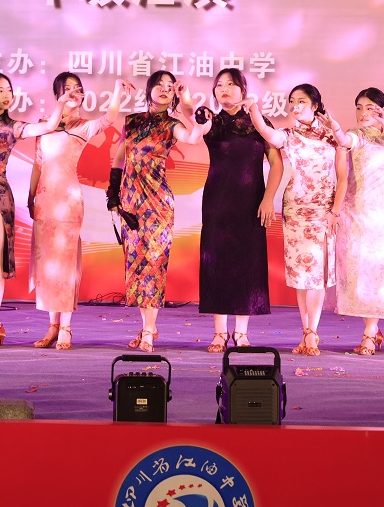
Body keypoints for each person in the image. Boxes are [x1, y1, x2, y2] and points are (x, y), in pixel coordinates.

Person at [0, 72, 79, 351]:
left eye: (9, 91)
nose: (7, 95)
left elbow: (49, 125)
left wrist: (60, 103)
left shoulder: (13, 127)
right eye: (0, 90)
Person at [27, 74, 135, 350]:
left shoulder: (83, 126)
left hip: (69, 200)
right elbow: (38, 164)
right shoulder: (44, 126)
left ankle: (65, 327)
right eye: (68, 89)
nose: (75, 92)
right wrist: (30, 196)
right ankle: (52, 327)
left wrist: (116, 91)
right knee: (48, 265)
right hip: (45, 200)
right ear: (57, 95)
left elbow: (109, 118)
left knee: (65, 264)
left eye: (78, 89)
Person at [106, 70, 205, 353]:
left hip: (158, 202)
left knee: (154, 262)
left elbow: (193, 138)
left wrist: (189, 105)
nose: (164, 89)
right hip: (130, 201)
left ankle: (149, 331)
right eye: (159, 84)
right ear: (149, 89)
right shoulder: (132, 121)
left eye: (170, 86)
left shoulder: (172, 125)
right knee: (136, 265)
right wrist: (113, 193)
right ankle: (146, 325)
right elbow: (120, 157)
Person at [247, 84, 346, 357]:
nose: (295, 105)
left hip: (323, 210)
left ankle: (313, 332)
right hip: (295, 209)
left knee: (317, 276)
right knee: (301, 275)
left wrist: (335, 211)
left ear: (315, 105)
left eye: (301, 101)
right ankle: (306, 331)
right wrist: (253, 107)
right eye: (292, 101)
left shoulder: (333, 135)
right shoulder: (289, 135)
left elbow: (343, 178)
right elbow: (265, 131)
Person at [195, 69, 283, 352]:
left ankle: (241, 333)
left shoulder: (259, 123)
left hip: (251, 202)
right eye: (219, 85)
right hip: (217, 203)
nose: (224, 89)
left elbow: (276, 164)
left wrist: (268, 199)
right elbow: (192, 126)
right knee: (216, 263)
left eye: (231, 84)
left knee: (248, 263)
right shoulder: (211, 121)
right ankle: (220, 333)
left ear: (243, 90)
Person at [326, 88, 384, 355]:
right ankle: (371, 330)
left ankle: (371, 332)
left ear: (383, 109)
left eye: (369, 107)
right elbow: (343, 140)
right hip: (356, 211)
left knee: (378, 273)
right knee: (359, 273)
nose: (362, 113)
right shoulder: (355, 135)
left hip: (382, 215)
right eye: (359, 107)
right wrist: (335, 127)